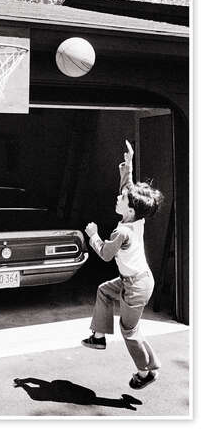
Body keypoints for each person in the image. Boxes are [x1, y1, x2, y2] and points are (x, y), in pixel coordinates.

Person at [82, 140, 164, 389]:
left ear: (129, 210)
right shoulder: (136, 218)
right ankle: (98, 337)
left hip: (137, 285)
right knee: (105, 291)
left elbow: (106, 254)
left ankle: (145, 372)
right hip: (134, 279)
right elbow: (128, 189)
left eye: (122, 199)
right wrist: (128, 164)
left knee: (129, 331)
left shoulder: (123, 233)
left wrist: (93, 235)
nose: (118, 197)